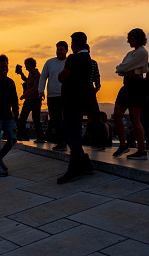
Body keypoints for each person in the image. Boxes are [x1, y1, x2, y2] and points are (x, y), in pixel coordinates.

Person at [56, 32, 96, 184]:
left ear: (74, 43)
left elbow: (62, 76)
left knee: (71, 134)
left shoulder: (73, 58)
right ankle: (85, 164)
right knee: (75, 134)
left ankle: (75, 168)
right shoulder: (89, 60)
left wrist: (61, 76)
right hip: (80, 102)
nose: (71, 45)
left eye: (71, 42)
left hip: (70, 101)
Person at [112, 28, 149, 160]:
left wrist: (125, 69)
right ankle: (123, 145)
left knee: (135, 119)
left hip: (136, 87)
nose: (128, 40)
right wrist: (125, 70)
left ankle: (142, 150)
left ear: (137, 38)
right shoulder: (130, 54)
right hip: (127, 86)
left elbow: (122, 67)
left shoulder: (142, 52)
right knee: (117, 115)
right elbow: (120, 69)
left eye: (130, 38)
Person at [38, 41, 68, 151]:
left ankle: (63, 142)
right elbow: (43, 77)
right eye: (58, 49)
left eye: (61, 49)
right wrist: (41, 90)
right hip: (52, 96)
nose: (59, 51)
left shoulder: (69, 62)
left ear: (66, 51)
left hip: (65, 95)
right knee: (55, 120)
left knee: (64, 119)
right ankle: (60, 142)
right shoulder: (49, 62)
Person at [16, 58, 45, 143]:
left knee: (36, 119)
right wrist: (21, 73)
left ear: (32, 66)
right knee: (22, 118)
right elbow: (27, 81)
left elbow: (35, 88)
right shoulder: (30, 74)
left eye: (27, 66)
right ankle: (22, 136)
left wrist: (24, 95)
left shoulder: (37, 75)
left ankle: (40, 137)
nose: (26, 68)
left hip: (35, 100)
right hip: (29, 99)